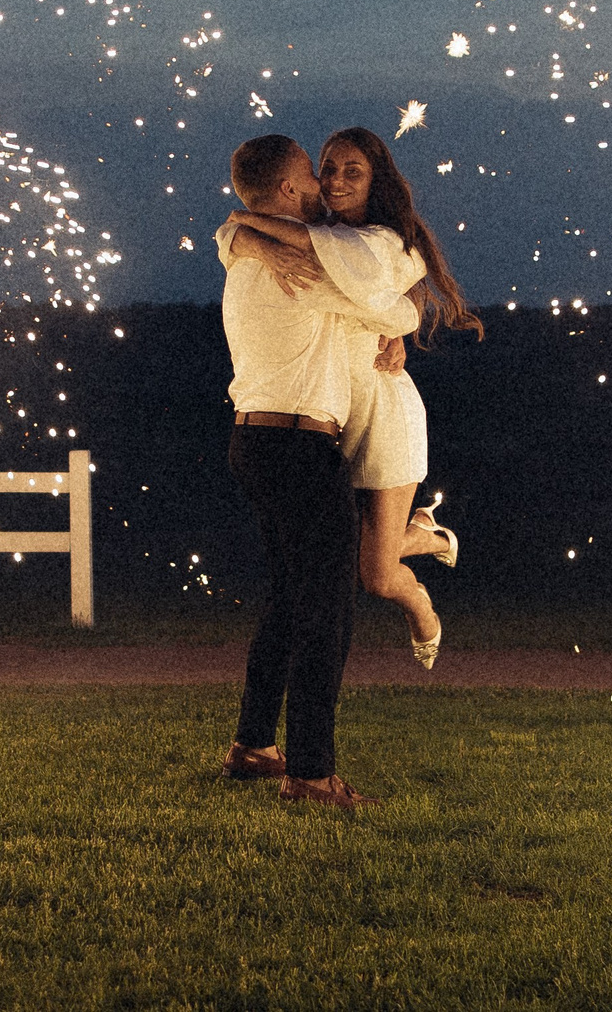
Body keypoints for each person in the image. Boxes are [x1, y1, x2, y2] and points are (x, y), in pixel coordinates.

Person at [223, 126, 482, 669]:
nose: (335, 180)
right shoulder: (314, 232)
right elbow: (278, 243)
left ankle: (425, 581)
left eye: (352, 172)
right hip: (332, 419)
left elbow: (371, 288)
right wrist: (240, 234)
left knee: (379, 576)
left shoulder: (384, 243)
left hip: (385, 412)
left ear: (376, 182)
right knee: (350, 565)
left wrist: (243, 229)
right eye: (328, 168)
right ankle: (419, 533)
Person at [215, 132, 419, 811]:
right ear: (284, 191)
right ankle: (310, 770)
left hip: (253, 442)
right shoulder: (305, 266)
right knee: (326, 612)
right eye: (310, 174)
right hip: (299, 448)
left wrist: (242, 232)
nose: (319, 185)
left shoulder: (249, 259)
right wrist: (400, 322)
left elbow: (231, 229)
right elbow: (399, 303)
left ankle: (252, 744)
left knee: (287, 598)